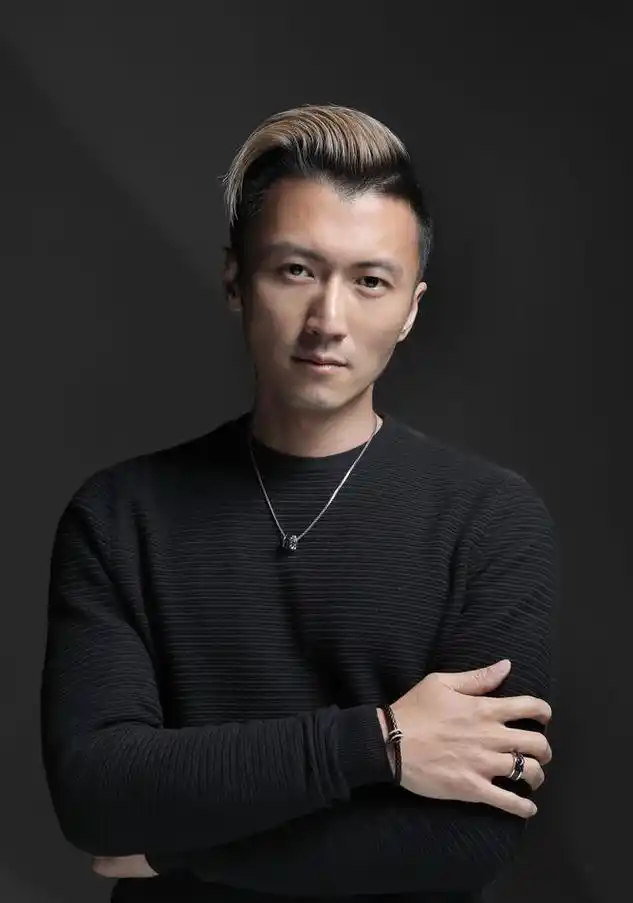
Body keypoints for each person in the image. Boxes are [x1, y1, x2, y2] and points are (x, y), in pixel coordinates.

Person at [40, 104, 559, 903]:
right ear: (234, 280)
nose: (328, 321)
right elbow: (96, 793)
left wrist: (175, 853)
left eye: (370, 281)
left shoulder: (490, 520)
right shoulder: (117, 518)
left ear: (410, 308)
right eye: (295, 270)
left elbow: (467, 839)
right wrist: (379, 741)